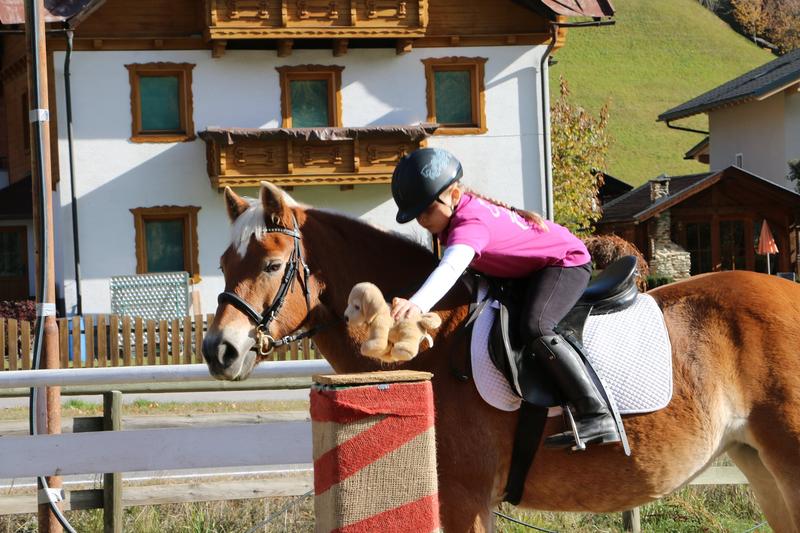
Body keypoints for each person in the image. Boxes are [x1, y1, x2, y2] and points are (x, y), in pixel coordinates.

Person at [390, 147, 620, 450]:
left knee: (536, 326)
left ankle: (596, 412)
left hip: (567, 262)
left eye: (426, 210)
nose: (422, 220)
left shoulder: (470, 223)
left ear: (455, 195)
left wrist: (417, 304)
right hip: (535, 268)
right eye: (415, 215)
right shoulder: (461, 211)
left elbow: (451, 267)